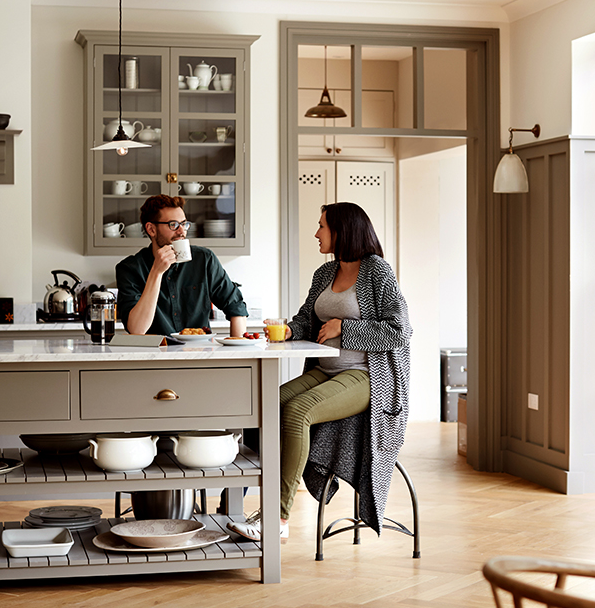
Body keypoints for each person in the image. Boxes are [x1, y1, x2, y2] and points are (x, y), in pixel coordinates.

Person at [227, 202, 411, 542]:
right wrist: (285, 330)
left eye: (322, 226)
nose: (316, 233)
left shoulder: (377, 271)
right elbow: (307, 321)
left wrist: (347, 327)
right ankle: (247, 501)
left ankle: (278, 519)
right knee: (261, 404)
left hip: (366, 376)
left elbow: (400, 331)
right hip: (325, 370)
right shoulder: (325, 273)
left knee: (296, 412)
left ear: (343, 231)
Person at [115, 195, 248, 336]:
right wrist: (156, 272)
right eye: (173, 225)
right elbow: (136, 330)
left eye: (184, 224)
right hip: (155, 354)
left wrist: (237, 347)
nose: (182, 231)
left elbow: (236, 307)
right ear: (151, 229)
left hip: (199, 353)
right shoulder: (129, 269)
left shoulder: (204, 259)